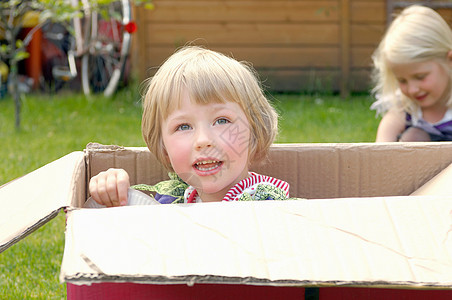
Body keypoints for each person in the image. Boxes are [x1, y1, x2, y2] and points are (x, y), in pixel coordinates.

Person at [88, 46, 290, 207]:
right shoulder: (172, 199)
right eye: (184, 126)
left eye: (222, 121)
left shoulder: (267, 205)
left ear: (254, 131)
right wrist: (115, 190)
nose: (203, 140)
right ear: (163, 147)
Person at [371, 5, 452, 142]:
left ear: (450, 60)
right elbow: (380, 152)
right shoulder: (404, 109)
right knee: (414, 136)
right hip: (412, 162)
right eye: (402, 80)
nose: (412, 89)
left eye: (420, 77)